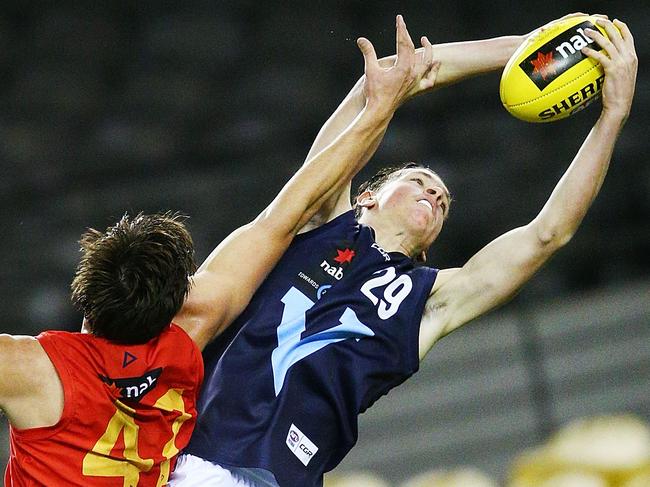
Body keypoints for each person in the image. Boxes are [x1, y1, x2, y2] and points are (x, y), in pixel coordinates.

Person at [170, 14, 638, 487]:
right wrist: (529, 49)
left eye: (443, 202)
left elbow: (548, 234)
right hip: (186, 453)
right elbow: (381, 84)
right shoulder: (319, 220)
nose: (435, 195)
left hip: (275, 476)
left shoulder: (429, 300)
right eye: (419, 181)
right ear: (368, 196)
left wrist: (612, 115)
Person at [0, 14, 437, 486]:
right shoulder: (189, 331)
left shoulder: (35, 369)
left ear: (85, 302)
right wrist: (378, 110)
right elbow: (290, 210)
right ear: (177, 299)